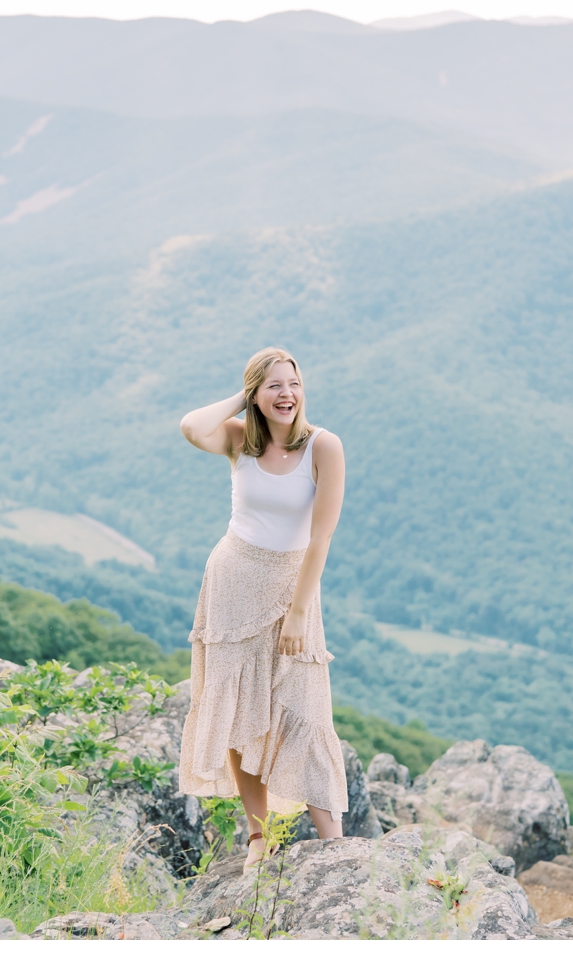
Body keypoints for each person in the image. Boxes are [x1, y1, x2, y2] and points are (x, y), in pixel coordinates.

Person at [177, 346, 348, 871]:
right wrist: (242, 395)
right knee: (236, 713)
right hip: (232, 579)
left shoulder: (324, 446)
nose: (286, 394)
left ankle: (335, 848)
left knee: (306, 709)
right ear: (256, 394)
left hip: (294, 586)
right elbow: (190, 426)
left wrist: (298, 612)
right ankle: (257, 840)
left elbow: (321, 538)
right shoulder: (238, 440)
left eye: (293, 383)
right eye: (273, 385)